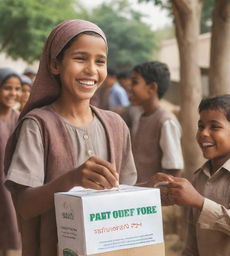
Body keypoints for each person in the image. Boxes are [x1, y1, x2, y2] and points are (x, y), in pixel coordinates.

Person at [4, 19, 137, 256]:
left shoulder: (116, 126)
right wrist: (72, 179)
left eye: (100, 61)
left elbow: (125, 193)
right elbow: (24, 205)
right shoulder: (38, 125)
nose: (91, 70)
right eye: (80, 58)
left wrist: (157, 192)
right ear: (55, 65)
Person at [160, 94, 230, 256]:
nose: (204, 133)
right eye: (200, 126)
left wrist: (199, 201)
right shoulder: (199, 177)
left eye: (215, 127)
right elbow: (194, 233)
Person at [129, 61, 184, 183]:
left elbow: (174, 169)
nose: (130, 88)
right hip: (137, 193)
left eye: (135, 82)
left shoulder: (166, 121)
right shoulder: (139, 116)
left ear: (152, 87)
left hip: (154, 199)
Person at [0, 68, 21, 256]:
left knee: (11, 238)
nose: (13, 94)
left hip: (9, 188)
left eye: (17, 89)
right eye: (7, 88)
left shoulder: (19, 119)